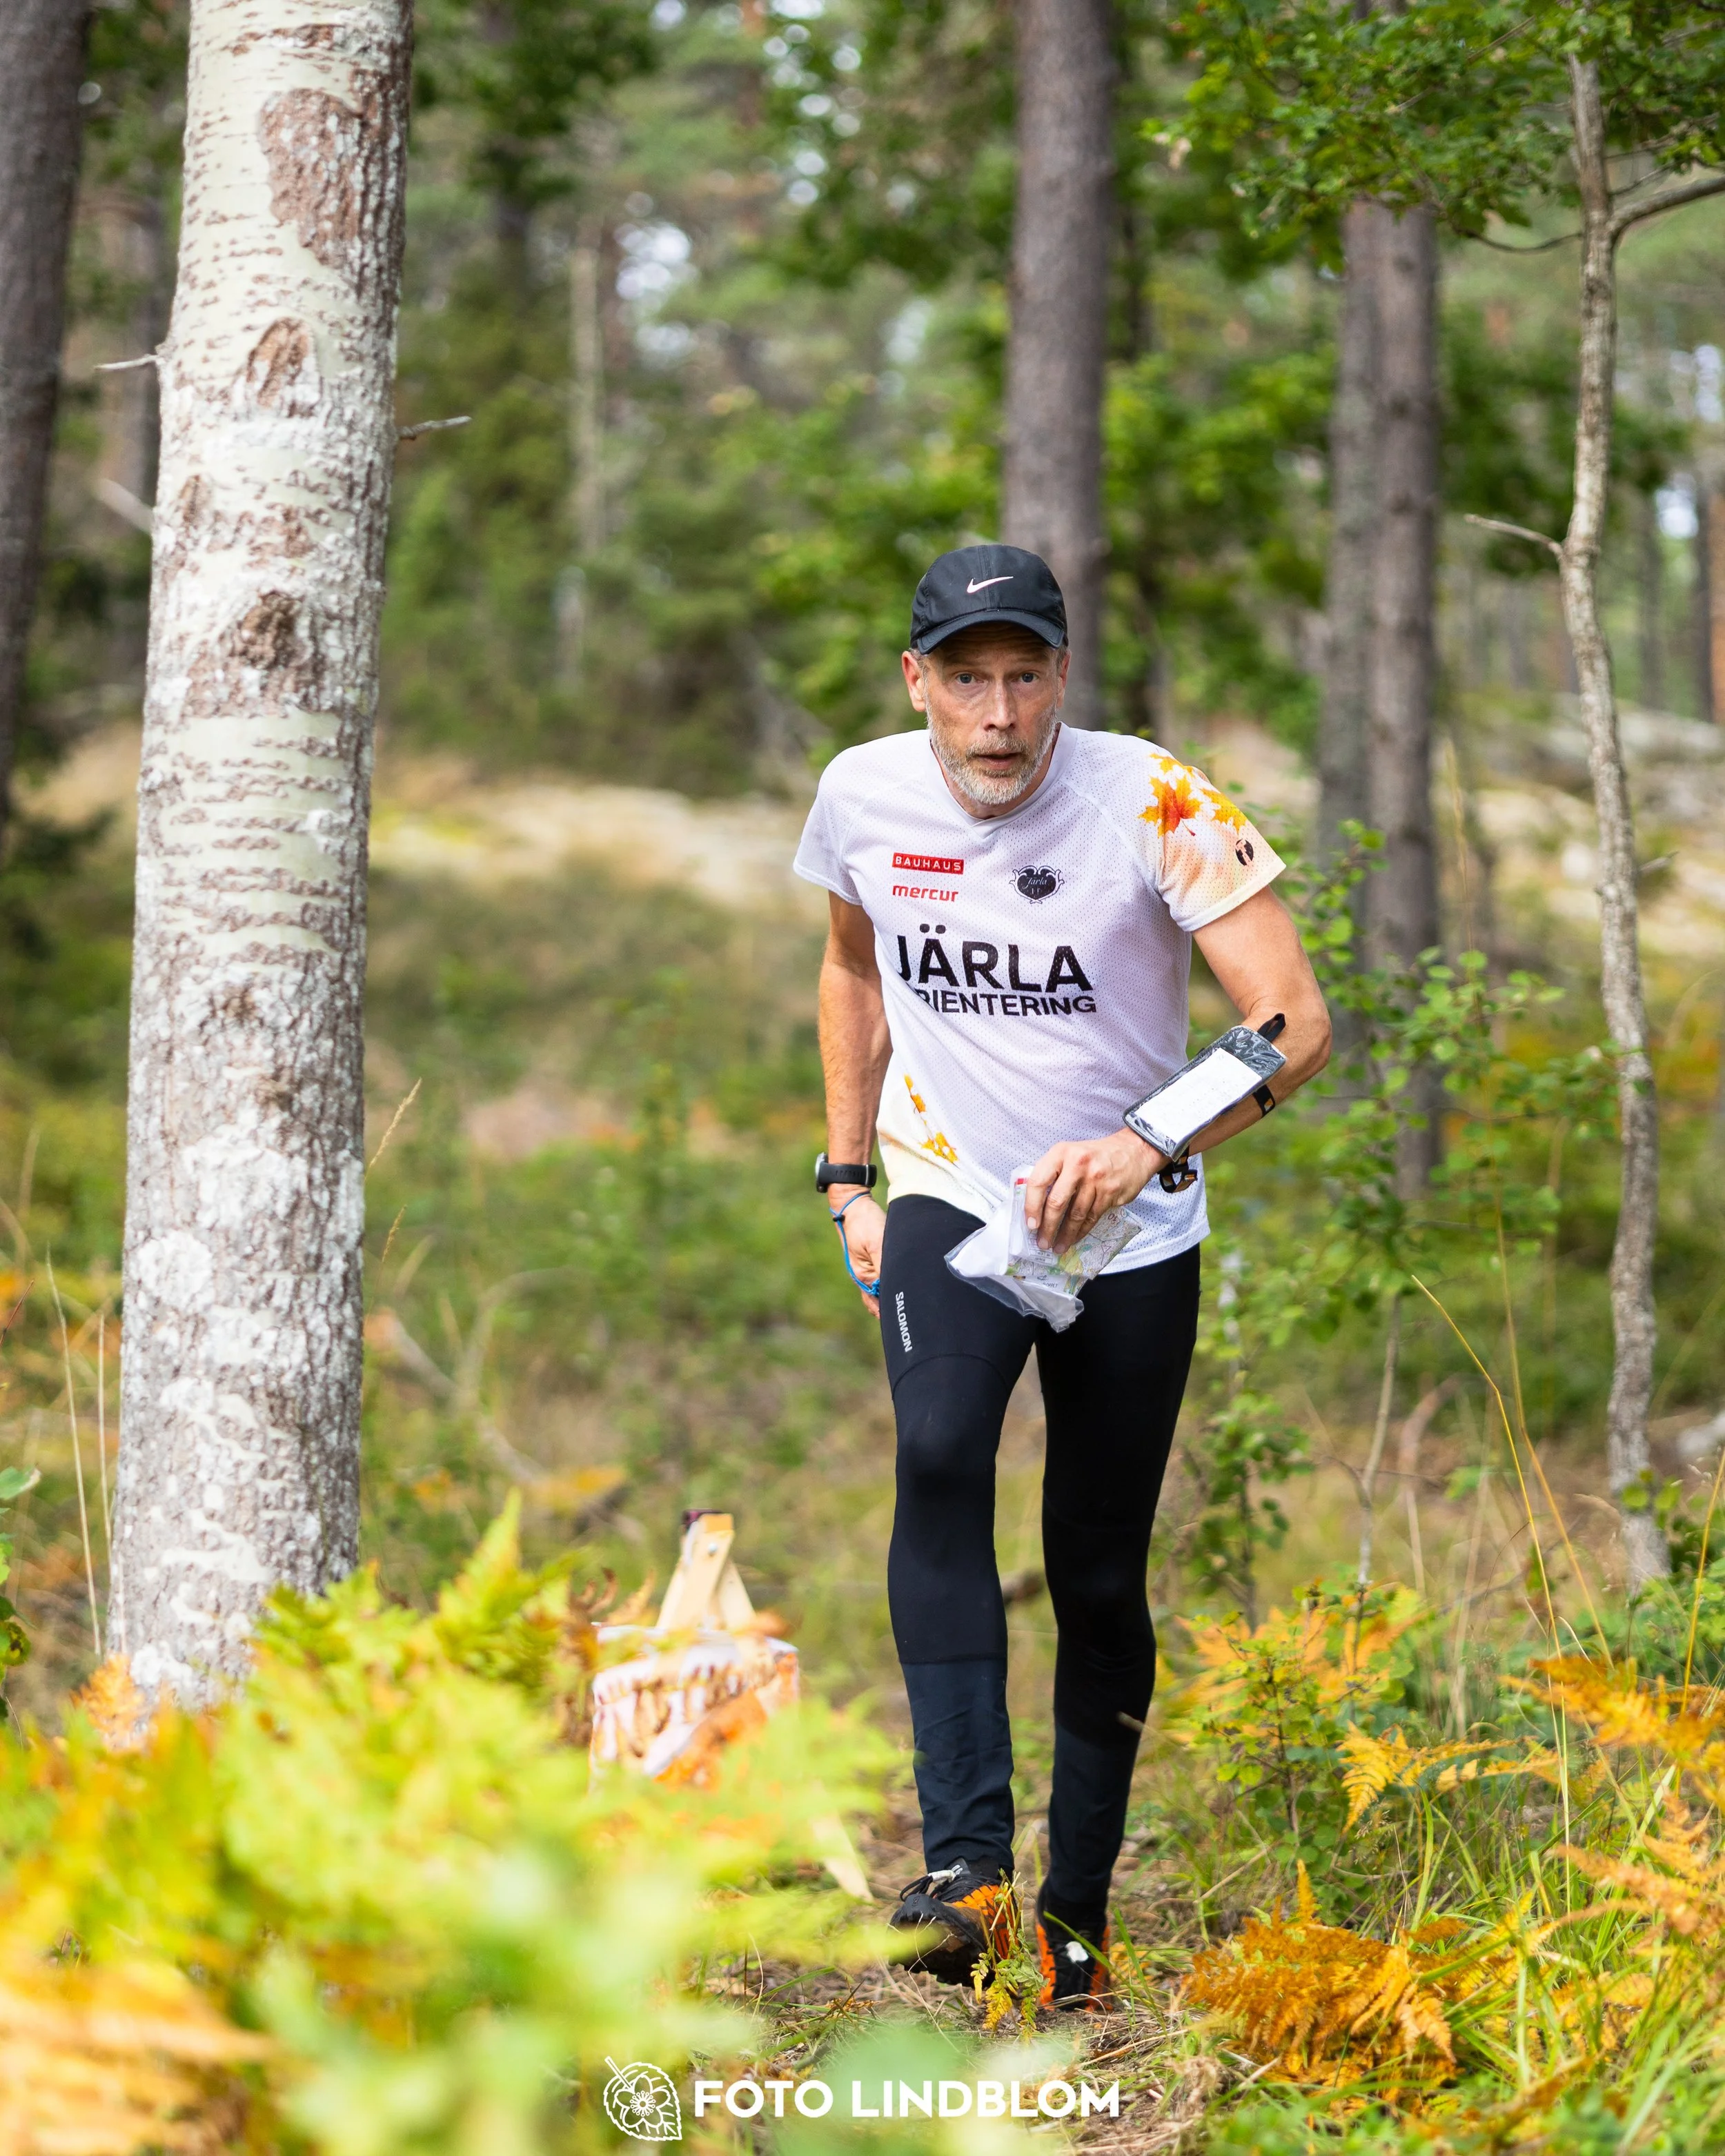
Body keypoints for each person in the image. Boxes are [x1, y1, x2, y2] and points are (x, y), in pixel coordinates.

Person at [792, 543, 1332, 2009]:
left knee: (1094, 1560)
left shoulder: (1152, 796)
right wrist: (849, 1172)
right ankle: (964, 1868)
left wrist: (1139, 1141)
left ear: (1061, 678)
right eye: (964, 679)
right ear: (917, 682)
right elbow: (854, 971)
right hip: (948, 1190)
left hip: (1128, 1225)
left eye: (1023, 675)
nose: (997, 712)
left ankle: (1074, 1922)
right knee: (939, 1449)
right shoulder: (861, 792)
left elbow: (1291, 1017)